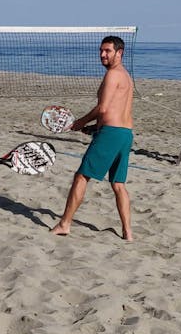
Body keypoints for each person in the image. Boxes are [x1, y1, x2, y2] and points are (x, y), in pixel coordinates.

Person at [50, 36, 135, 241]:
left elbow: (103, 108)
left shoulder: (113, 75)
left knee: (81, 177)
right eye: (101, 51)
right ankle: (128, 232)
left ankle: (64, 224)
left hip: (112, 134)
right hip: (125, 134)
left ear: (119, 53)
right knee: (118, 184)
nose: (102, 54)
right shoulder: (126, 76)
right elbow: (113, 110)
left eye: (107, 51)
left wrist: (80, 122)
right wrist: (94, 128)